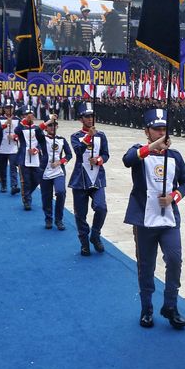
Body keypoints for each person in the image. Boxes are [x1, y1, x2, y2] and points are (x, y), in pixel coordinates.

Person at [122, 108, 185, 330]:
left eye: (164, 129)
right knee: (146, 265)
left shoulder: (175, 156)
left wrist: (174, 196)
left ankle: (170, 305)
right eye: (156, 129)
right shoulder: (140, 152)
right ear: (147, 131)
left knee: (174, 260)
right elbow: (128, 160)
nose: (161, 132)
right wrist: (153, 147)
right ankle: (146, 308)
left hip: (168, 219)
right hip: (144, 220)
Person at [69, 102, 109, 255]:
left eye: (92, 116)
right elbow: (78, 151)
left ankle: (95, 234)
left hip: (97, 178)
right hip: (80, 179)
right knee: (80, 214)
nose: (90, 119)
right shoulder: (75, 136)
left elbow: (106, 154)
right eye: (87, 116)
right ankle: (84, 242)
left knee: (101, 207)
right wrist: (88, 136)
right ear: (81, 119)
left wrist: (99, 160)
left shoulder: (101, 135)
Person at [39, 114, 72, 230]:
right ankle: (48, 218)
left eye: (54, 125)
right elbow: (38, 130)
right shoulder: (42, 139)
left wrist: (60, 162)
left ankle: (59, 219)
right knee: (46, 196)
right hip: (45, 171)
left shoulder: (62, 140)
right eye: (50, 125)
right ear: (46, 127)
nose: (52, 127)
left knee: (61, 192)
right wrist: (48, 121)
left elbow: (69, 154)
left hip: (58, 171)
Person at [15, 105, 44, 212]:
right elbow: (16, 131)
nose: (29, 116)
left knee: (37, 179)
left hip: (36, 158)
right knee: (26, 180)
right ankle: (27, 200)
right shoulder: (21, 127)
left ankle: (26, 194)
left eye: (31, 114)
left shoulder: (37, 128)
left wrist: (36, 149)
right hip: (23, 157)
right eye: (27, 115)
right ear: (23, 116)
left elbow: (42, 141)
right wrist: (24, 122)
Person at [0, 102, 20, 194]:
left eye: (11, 108)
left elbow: (21, 133)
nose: (9, 109)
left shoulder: (17, 119)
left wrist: (15, 137)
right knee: (2, 167)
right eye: (7, 108)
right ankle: (3, 185)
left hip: (13, 148)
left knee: (13, 167)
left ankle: (14, 185)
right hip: (1, 147)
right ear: (4, 109)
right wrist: (5, 124)